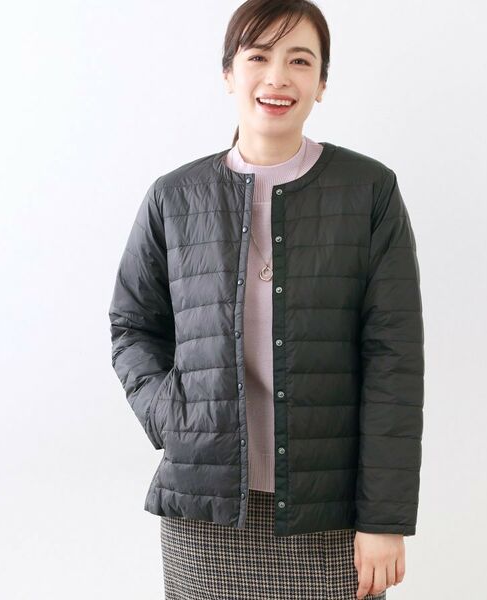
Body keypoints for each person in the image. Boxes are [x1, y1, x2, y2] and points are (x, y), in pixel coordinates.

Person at [108, 1, 424, 599]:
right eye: (258, 56)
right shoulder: (174, 198)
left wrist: (384, 518)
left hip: (332, 513)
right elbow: (132, 325)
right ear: (229, 73)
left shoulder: (369, 192)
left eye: (300, 61)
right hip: (204, 513)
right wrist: (171, 415)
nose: (278, 77)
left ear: (322, 83)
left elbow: (395, 361)